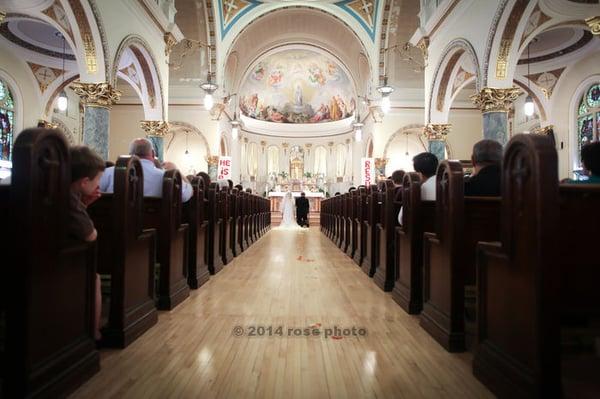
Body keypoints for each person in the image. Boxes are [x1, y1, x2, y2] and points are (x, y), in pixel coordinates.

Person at [68, 145, 105, 342]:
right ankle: (93, 334)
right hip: (49, 265)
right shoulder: (69, 199)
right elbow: (90, 236)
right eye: (98, 179)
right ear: (84, 182)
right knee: (94, 278)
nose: (100, 184)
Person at [99, 138, 193, 202]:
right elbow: (186, 195)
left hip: (114, 227)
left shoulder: (109, 173)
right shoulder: (166, 176)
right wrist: (176, 170)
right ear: (153, 153)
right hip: (154, 228)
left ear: (130, 154)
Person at [398, 152, 439, 225]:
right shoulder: (452, 186)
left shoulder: (417, 190)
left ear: (419, 173)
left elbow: (403, 219)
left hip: (425, 234)